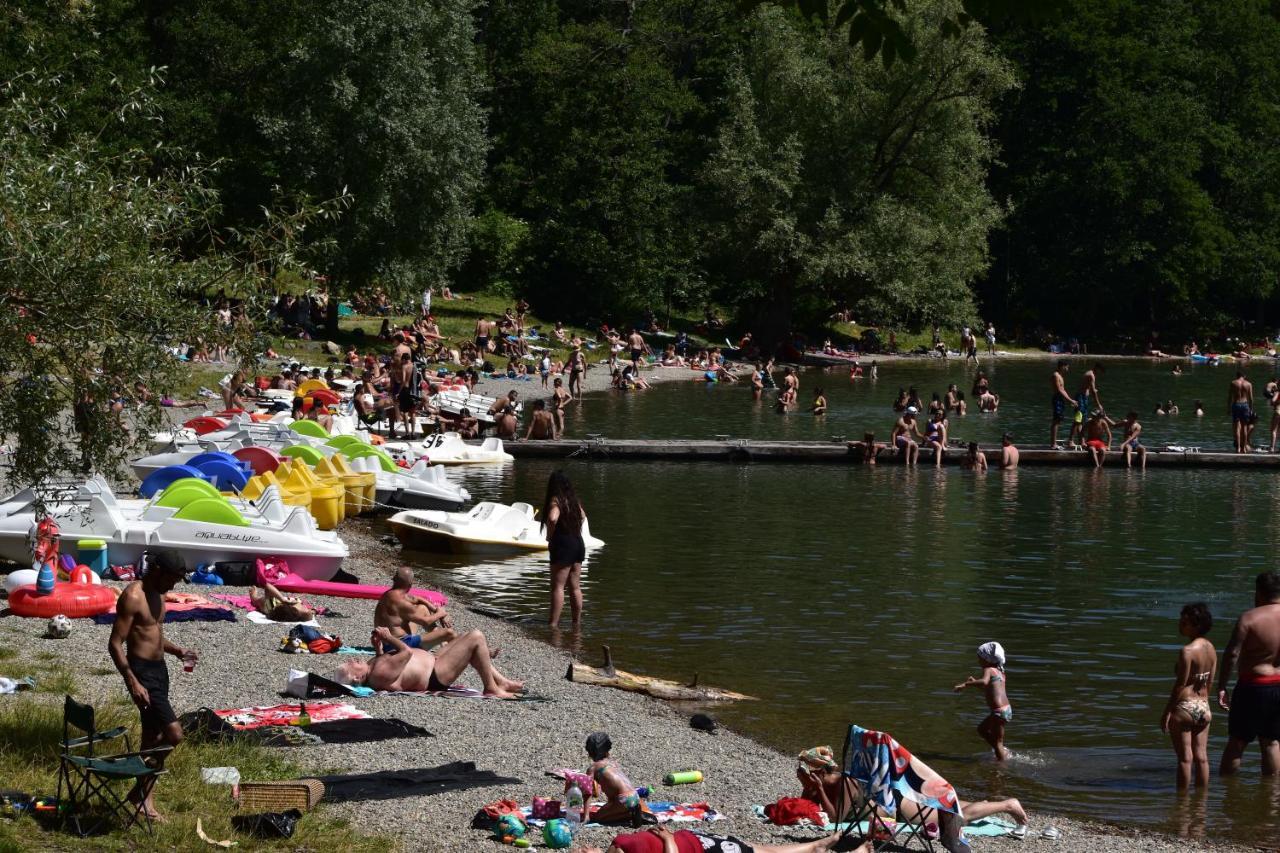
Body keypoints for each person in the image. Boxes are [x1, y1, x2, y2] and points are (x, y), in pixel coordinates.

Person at [107, 551, 196, 820]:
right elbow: (114, 644)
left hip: (160, 671)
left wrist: (177, 650)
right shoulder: (133, 596)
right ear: (157, 571)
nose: (174, 586)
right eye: (173, 579)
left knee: (151, 738)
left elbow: (153, 634)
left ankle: (145, 803)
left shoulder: (158, 594)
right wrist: (132, 681)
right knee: (173, 735)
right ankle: (138, 793)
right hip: (142, 674)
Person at [795, 745, 1027, 846]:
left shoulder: (845, 782)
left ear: (819, 772)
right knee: (952, 803)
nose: (799, 774)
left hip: (901, 805)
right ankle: (986, 805)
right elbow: (811, 802)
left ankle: (1008, 805)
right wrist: (812, 787)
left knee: (955, 815)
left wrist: (816, 789)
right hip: (896, 797)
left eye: (804, 770)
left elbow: (835, 818)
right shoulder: (826, 783)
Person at [1217, 571, 1280, 776]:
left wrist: (1221, 686)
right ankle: (1271, 799)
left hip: (1253, 686)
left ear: (1259, 592)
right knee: (1271, 742)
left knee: (1237, 742)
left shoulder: (1249, 618)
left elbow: (1232, 654)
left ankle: (1228, 795)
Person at [339, 627, 522, 698]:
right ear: (357, 677)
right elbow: (406, 652)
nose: (352, 659)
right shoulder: (378, 674)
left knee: (466, 637)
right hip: (435, 674)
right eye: (350, 664)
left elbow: (390, 664)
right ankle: (491, 687)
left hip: (434, 662)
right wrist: (388, 638)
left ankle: (502, 681)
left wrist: (378, 648)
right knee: (476, 637)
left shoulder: (373, 669)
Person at [1162, 603, 1216, 788]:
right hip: (1203, 706)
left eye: (1185, 622)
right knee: (1201, 758)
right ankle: (1201, 805)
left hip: (1185, 706)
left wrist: (1167, 712)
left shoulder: (1187, 651)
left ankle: (1182, 806)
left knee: (1185, 759)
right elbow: (1209, 683)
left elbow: (1180, 685)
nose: (1180, 624)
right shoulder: (1211, 649)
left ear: (1196, 626)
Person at [584, 826, 847, 853]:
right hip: (700, 849)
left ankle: (815, 846)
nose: (583, 848)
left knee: (757, 847)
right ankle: (816, 847)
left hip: (695, 838)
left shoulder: (614, 847)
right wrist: (666, 838)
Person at [372, 567, 454, 650]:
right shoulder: (402, 602)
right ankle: (448, 653)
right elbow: (426, 622)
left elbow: (417, 599)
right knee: (449, 633)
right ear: (411, 584)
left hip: (383, 642)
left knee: (422, 608)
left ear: (394, 579)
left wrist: (435, 609)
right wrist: (442, 613)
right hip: (397, 645)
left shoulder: (390, 594)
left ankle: (442, 643)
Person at [544, 470, 587, 627]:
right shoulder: (574, 500)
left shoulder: (556, 500)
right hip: (578, 542)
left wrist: (550, 536)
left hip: (564, 545)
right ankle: (576, 623)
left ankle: (553, 624)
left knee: (558, 586)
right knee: (575, 587)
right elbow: (582, 516)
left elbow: (552, 518)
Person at [954, 641, 1011, 761]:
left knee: (998, 741)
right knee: (982, 730)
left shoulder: (989, 669)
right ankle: (1000, 751)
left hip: (998, 711)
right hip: (1005, 710)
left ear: (987, 659)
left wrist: (966, 684)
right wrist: (974, 681)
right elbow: (988, 687)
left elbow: (984, 682)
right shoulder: (1000, 672)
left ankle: (1001, 765)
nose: (978, 661)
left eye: (980, 658)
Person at [583, 732, 652, 825]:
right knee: (608, 807)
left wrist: (586, 815)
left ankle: (630, 814)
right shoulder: (613, 763)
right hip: (635, 795)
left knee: (599, 817)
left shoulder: (593, 768)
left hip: (623, 799)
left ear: (590, 752)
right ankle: (633, 809)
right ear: (607, 750)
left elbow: (588, 793)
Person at [249, 582, 315, 623]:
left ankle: (254, 598)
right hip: (280, 605)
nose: (305, 606)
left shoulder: (271, 607)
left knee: (258, 601)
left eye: (304, 608)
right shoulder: (294, 611)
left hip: (267, 605)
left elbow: (268, 586)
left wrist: (282, 599)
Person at [1050, 360, 1077, 449]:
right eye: (1067, 367)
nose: (1068, 369)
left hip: (1061, 399)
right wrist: (1070, 400)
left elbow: (1063, 390)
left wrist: (1070, 400)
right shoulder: (1056, 375)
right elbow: (1059, 390)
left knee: (1059, 420)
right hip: (1057, 399)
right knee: (1056, 421)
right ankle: (1053, 444)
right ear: (1062, 366)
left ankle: (1054, 443)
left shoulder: (1061, 376)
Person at [1229, 370, 1254, 453]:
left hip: (1236, 404)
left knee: (1237, 427)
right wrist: (1251, 409)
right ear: (1244, 376)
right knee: (1244, 427)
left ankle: (1238, 448)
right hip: (1245, 405)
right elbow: (1251, 398)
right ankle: (1244, 448)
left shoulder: (1233, 383)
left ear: (1237, 375)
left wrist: (1228, 408)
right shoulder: (1248, 384)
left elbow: (1230, 397)